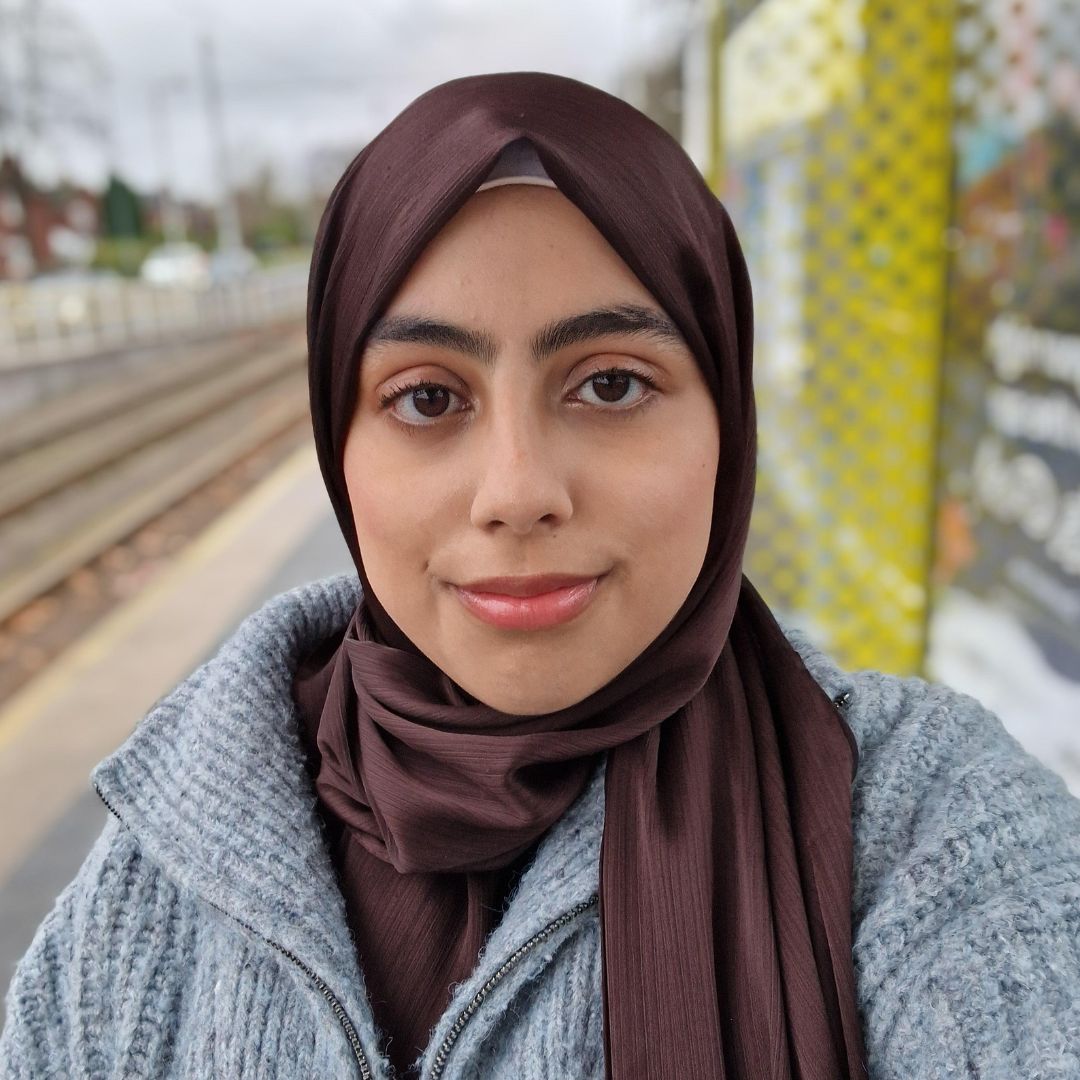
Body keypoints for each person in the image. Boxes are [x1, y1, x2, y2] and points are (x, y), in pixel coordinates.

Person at [2, 71, 1079, 1080]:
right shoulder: (163, 864)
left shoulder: (920, 824)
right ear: (339, 447)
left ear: (727, 426)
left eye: (610, 383)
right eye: (427, 399)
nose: (517, 492)